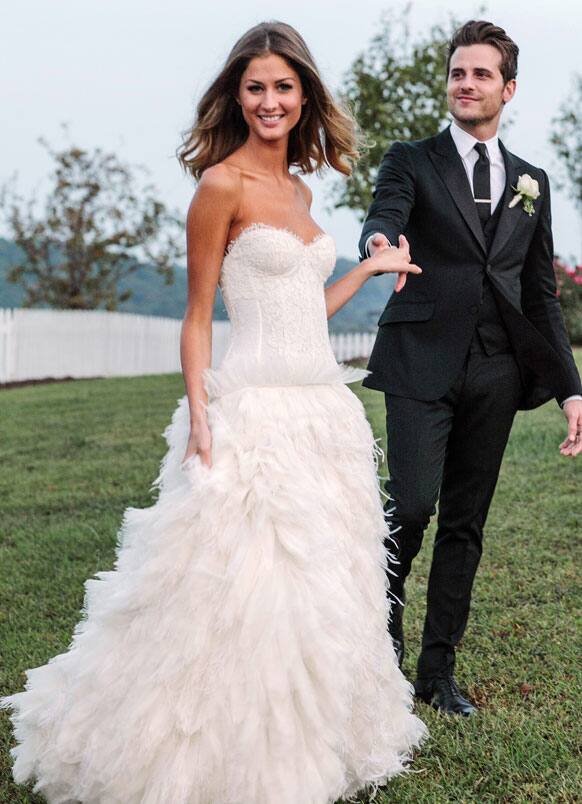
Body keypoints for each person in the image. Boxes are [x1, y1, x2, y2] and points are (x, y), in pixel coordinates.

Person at [2, 21, 426, 804]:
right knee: (242, 594)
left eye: (284, 87)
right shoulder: (221, 186)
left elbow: (306, 312)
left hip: (322, 413)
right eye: (256, 87)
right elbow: (200, 316)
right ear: (238, 95)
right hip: (252, 414)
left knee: (323, 589)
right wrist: (201, 414)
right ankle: (227, 760)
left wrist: (367, 266)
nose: (271, 101)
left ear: (305, 96)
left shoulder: (300, 191)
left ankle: (314, 738)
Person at [359, 19, 582, 717]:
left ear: (508, 89)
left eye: (481, 74)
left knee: (465, 523)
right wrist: (378, 240)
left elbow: (539, 295)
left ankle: (437, 674)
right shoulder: (412, 159)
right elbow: (383, 211)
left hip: (496, 373)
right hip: (419, 361)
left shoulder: (532, 184)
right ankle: (378, 641)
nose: (466, 82)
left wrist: (570, 391)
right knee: (415, 504)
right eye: (459, 72)